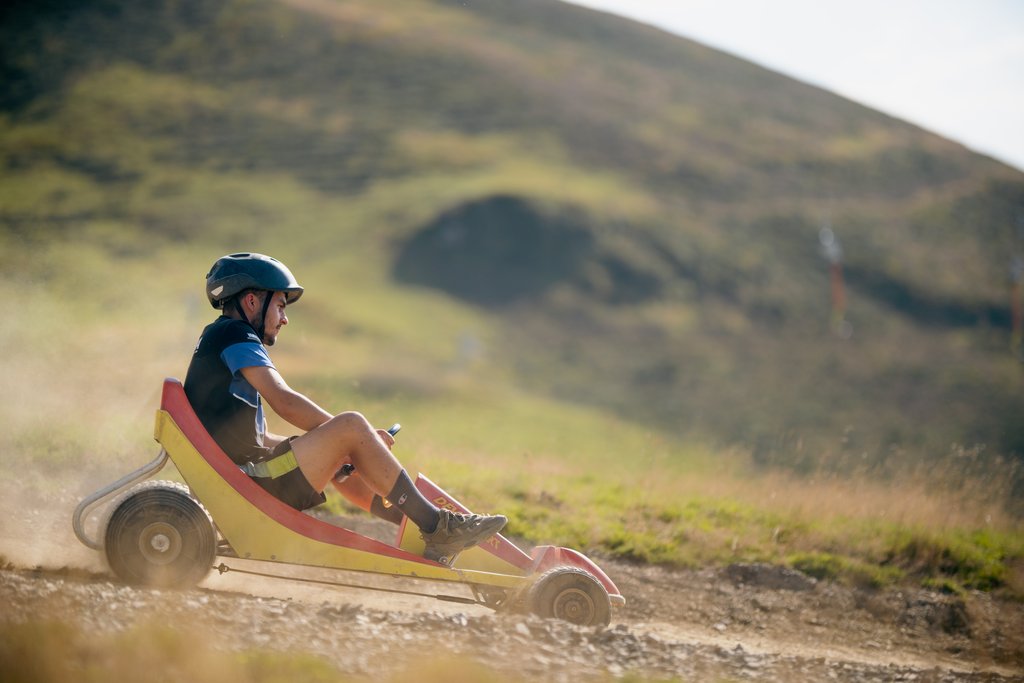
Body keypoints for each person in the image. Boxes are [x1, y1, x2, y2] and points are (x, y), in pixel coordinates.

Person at [184, 252, 506, 566]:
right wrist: (350, 435)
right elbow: (284, 400)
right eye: (280, 306)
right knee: (352, 425)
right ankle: (438, 527)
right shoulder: (234, 333)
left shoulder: (221, 338)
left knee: (345, 448)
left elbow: (256, 436)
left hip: (241, 477)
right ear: (252, 301)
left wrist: (331, 445)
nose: (284, 318)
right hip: (248, 484)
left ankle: (420, 525)